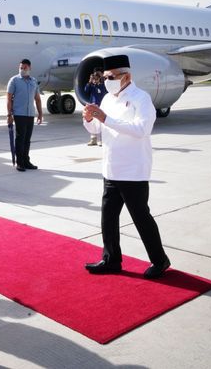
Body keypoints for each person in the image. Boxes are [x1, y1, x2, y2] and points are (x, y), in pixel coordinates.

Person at [82, 54, 170, 279]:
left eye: (111, 77)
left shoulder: (141, 98)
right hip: (111, 168)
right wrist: (89, 119)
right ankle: (111, 259)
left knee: (141, 217)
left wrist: (105, 119)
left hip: (133, 169)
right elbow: (96, 131)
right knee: (108, 218)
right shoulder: (107, 99)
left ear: (127, 76)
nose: (107, 81)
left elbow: (142, 129)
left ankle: (160, 260)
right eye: (105, 77)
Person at [7, 58, 42, 171]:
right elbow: (8, 98)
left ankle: (26, 161)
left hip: (30, 114)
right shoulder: (14, 80)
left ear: (29, 68)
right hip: (19, 113)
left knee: (27, 139)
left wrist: (40, 114)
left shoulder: (33, 81)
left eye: (24, 68)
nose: (22, 70)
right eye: (20, 68)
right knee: (20, 138)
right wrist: (9, 114)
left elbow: (37, 99)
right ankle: (20, 163)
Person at [83, 68, 107, 145]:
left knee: (101, 123)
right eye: (95, 75)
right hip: (93, 105)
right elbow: (86, 90)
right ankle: (93, 139)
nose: (96, 77)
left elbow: (104, 91)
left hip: (101, 106)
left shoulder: (104, 84)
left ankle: (101, 139)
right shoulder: (92, 85)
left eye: (98, 75)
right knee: (92, 122)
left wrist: (101, 81)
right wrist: (90, 81)